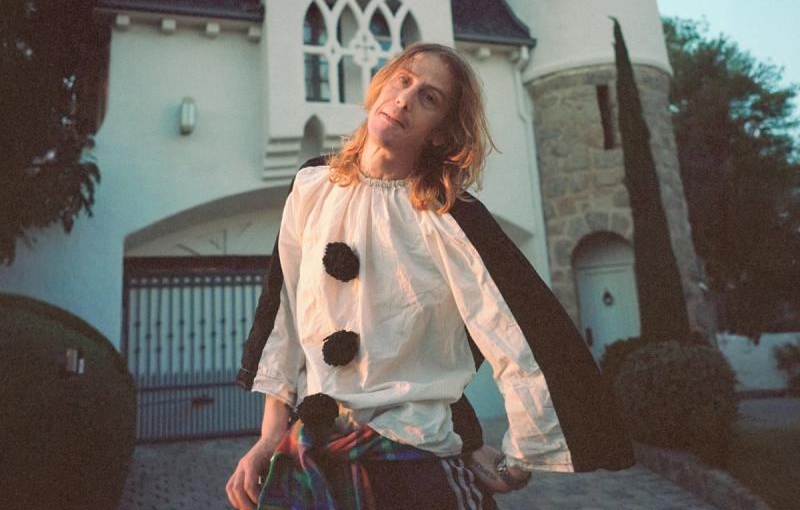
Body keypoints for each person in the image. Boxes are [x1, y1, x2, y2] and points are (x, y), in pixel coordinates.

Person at [227, 43, 633, 510]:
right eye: (403, 80)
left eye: (428, 97)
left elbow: (514, 333)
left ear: (440, 134)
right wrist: (269, 439)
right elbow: (284, 314)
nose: (405, 99)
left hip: (414, 456)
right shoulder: (312, 186)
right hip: (313, 450)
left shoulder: (449, 217)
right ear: (382, 85)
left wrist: (518, 462)